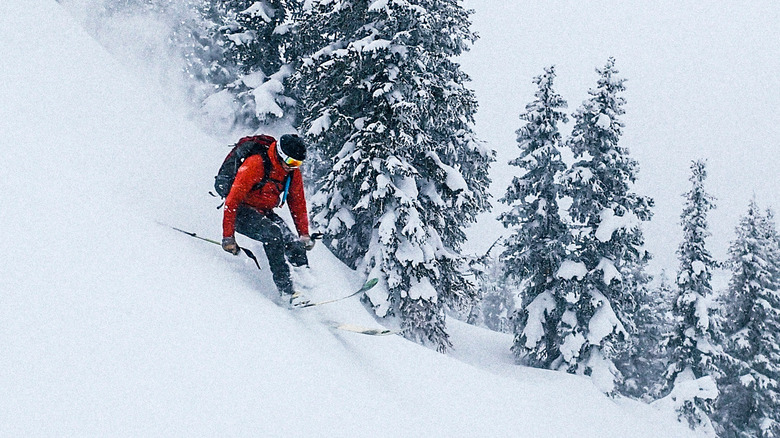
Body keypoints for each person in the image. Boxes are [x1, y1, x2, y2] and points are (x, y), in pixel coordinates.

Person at [220, 134, 315, 301]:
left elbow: (298, 202)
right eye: (292, 162)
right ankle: (287, 292)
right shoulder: (256, 164)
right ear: (280, 154)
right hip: (241, 213)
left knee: (293, 243)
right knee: (273, 235)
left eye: (298, 164)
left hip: (264, 211)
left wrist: (304, 234)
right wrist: (228, 237)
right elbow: (232, 201)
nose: (294, 167)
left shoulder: (292, 172)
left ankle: (309, 285)